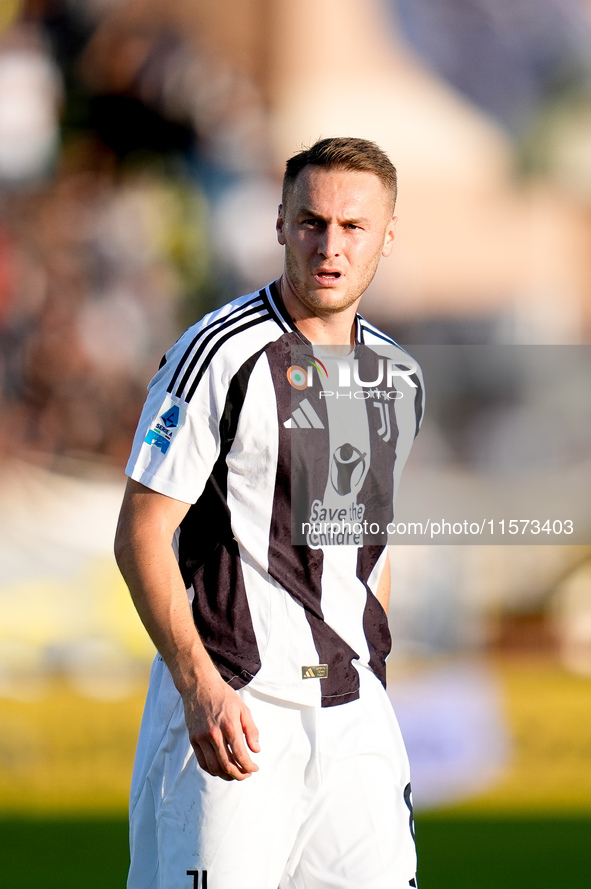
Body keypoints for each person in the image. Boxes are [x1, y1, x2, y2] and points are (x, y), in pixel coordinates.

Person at [115, 136, 424, 889]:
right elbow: (141, 532)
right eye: (311, 221)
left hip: (352, 716)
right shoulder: (217, 354)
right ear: (280, 223)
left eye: (353, 227)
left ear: (387, 235)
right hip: (236, 708)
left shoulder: (399, 376)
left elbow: (365, 547)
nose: (330, 245)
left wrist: (373, 675)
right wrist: (200, 686)